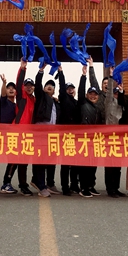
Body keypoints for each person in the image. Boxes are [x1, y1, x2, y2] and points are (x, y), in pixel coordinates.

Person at [4, 59, 37, 196]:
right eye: (26, 86)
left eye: (31, 86)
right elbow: (18, 84)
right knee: (14, 160)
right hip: (17, 133)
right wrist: (22, 69)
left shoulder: (34, 100)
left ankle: (23, 186)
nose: (29, 88)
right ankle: (6, 183)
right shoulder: (22, 97)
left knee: (24, 162)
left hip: (28, 136)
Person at [29, 64, 59, 197]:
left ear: (54, 91)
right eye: (47, 85)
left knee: (46, 160)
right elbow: (37, 84)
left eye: (52, 86)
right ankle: (41, 186)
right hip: (40, 133)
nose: (50, 86)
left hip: (51, 135)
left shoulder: (55, 103)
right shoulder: (41, 97)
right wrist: (41, 71)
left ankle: (36, 180)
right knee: (40, 159)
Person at [78, 59, 103, 198]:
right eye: (91, 94)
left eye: (95, 94)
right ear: (87, 95)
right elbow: (81, 91)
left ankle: (91, 185)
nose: (93, 96)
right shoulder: (83, 103)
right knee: (85, 165)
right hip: (84, 139)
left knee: (93, 164)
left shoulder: (98, 108)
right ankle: (84, 187)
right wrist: (84, 75)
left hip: (95, 139)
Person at [56, 66, 81, 196]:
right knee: (65, 164)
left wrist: (83, 75)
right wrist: (61, 73)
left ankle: (74, 185)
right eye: (68, 89)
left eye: (72, 89)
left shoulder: (77, 103)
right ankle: (65, 187)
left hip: (76, 136)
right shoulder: (64, 100)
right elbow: (61, 86)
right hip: (65, 136)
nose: (70, 90)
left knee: (75, 163)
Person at [103, 67, 125, 198]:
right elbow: (109, 93)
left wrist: (121, 90)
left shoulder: (122, 105)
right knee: (110, 165)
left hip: (120, 138)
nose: (115, 94)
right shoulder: (108, 103)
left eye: (117, 93)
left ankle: (116, 188)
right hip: (109, 137)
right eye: (114, 93)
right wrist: (111, 77)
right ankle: (110, 189)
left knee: (118, 166)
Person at [0, 75, 19, 194]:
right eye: (8, 88)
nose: (11, 89)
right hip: (5, 136)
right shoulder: (4, 102)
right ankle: (6, 184)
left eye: (13, 88)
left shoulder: (17, 106)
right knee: (13, 160)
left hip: (14, 137)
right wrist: (4, 83)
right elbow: (2, 94)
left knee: (14, 160)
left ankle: (7, 183)